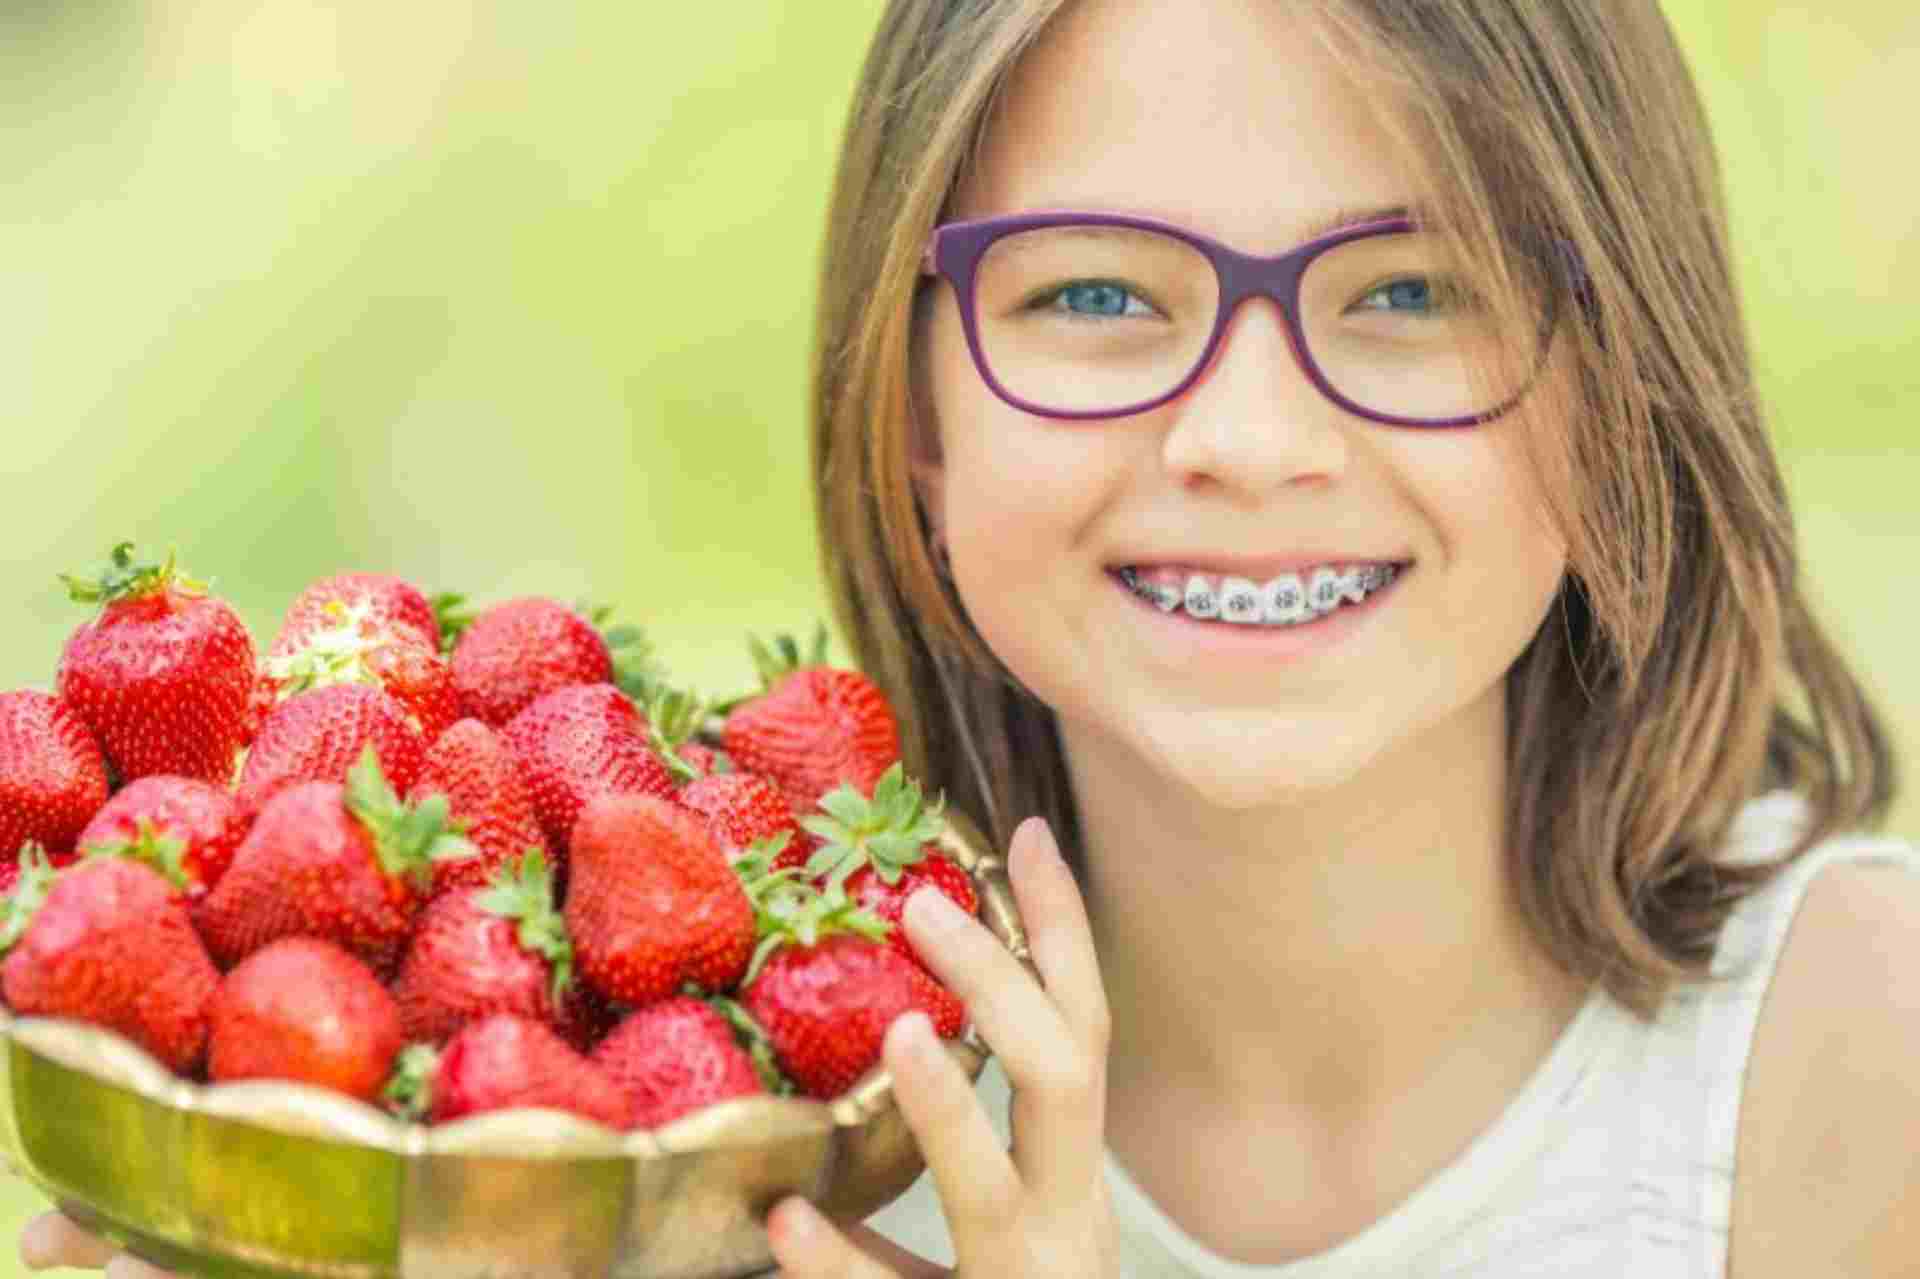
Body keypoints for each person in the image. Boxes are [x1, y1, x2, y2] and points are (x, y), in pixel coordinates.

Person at [20, 1, 1916, 1277]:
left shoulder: (1858, 1075)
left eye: (1415, 291)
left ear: (1623, 384)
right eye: (1094, 292)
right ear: (914, 415)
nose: (1249, 440)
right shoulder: (706, 1131)